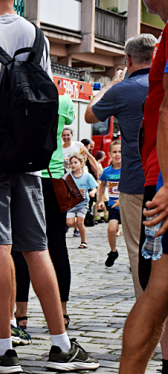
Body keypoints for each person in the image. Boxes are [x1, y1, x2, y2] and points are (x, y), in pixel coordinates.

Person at [0, 0, 98, 374]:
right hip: (30, 157)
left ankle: (3, 348)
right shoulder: (36, 36)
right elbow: (46, 94)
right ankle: (61, 345)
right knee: (36, 246)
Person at [99, 0, 168, 374]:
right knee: (160, 288)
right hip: (160, 181)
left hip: (158, 179)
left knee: (161, 288)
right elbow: (166, 114)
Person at [86, 34, 155, 297]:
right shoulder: (161, 83)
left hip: (136, 182)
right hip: (162, 178)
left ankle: (147, 315)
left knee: (139, 250)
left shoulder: (123, 89)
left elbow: (90, 114)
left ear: (128, 59)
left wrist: (111, 84)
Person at [11, 94, 76, 336]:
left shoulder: (21, 93)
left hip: (27, 175)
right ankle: (62, 313)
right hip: (54, 176)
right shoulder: (64, 100)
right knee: (57, 245)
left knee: (21, 248)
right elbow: (68, 120)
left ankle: (22, 314)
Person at [98, 141, 123, 267]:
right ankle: (113, 252)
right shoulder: (107, 171)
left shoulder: (127, 170)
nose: (117, 154)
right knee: (111, 228)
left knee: (133, 234)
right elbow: (102, 185)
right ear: (109, 154)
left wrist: (122, 200)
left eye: (120, 151)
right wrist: (100, 200)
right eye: (115, 152)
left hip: (127, 205)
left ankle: (135, 257)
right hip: (113, 205)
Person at [66, 153, 98, 249]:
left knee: (80, 223)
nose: (73, 165)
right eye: (71, 163)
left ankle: (83, 242)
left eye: (75, 162)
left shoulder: (87, 176)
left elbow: (95, 187)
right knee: (70, 223)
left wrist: (92, 192)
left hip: (82, 204)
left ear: (82, 163)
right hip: (71, 204)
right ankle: (76, 222)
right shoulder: (68, 176)